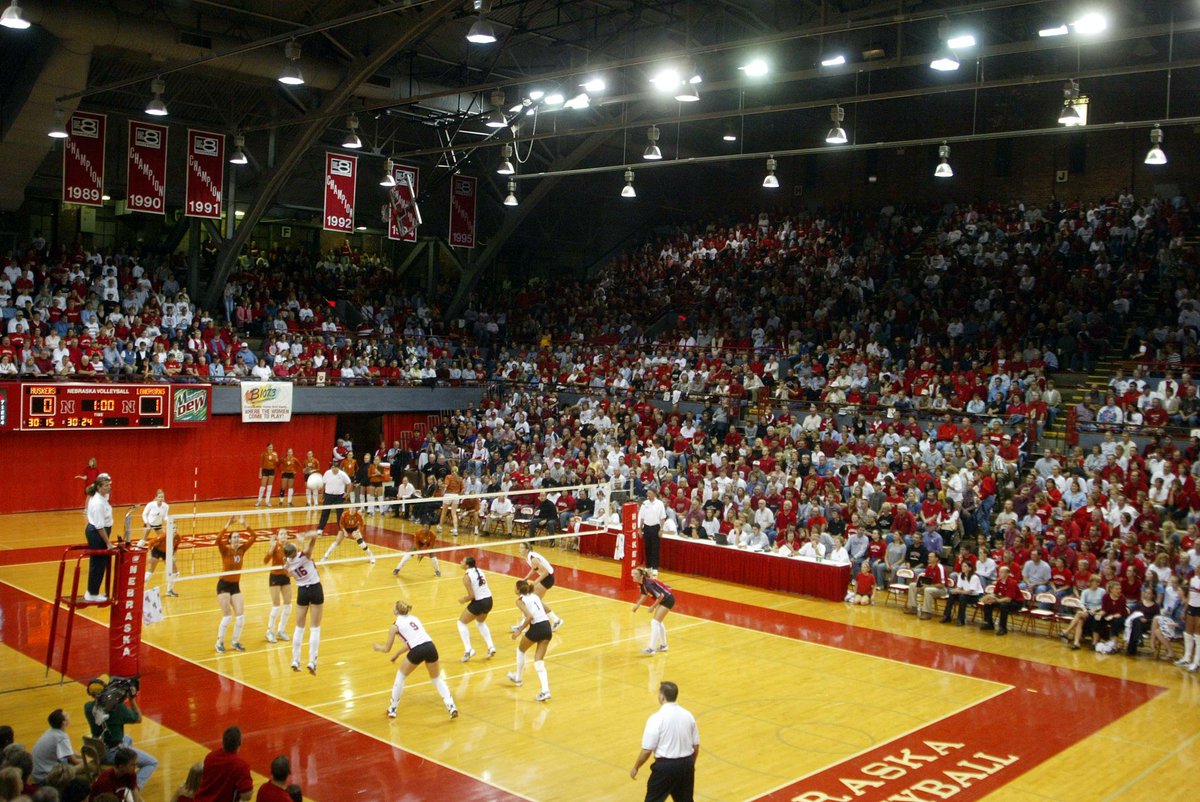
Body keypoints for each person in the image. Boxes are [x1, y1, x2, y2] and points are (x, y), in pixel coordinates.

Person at [373, 600, 459, 719]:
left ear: (396, 611)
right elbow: (413, 642)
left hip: (417, 650)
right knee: (436, 679)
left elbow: (387, 648)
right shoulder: (414, 618)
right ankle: (451, 706)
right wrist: (398, 654)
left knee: (401, 677)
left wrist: (378, 648)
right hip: (430, 647)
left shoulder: (394, 626)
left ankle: (392, 709)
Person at [629, 681, 699, 802]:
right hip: (686, 764)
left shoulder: (656, 718)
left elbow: (647, 750)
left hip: (666, 767)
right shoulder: (688, 716)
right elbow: (696, 746)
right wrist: (690, 764)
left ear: (662, 697)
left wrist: (636, 767)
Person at [84, 684, 158, 790]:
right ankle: (133, 788)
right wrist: (131, 699)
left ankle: (125, 772)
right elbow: (138, 718)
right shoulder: (118, 708)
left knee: (127, 738)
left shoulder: (87, 707)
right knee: (151, 762)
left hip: (98, 747)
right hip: (111, 753)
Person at [215, 517, 258, 653]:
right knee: (227, 616)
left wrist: (245, 524)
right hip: (223, 585)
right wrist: (227, 525)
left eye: (238, 537)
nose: (237, 539)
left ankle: (235, 641)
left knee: (240, 616)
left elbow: (254, 536)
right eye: (234, 537)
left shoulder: (242, 549)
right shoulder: (225, 550)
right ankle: (219, 642)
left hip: (235, 585)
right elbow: (217, 540)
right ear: (229, 540)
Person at [507, 579, 553, 701]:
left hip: (537, 627)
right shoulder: (535, 596)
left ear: (518, 590)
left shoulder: (520, 601)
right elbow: (546, 610)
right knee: (539, 661)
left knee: (521, 650)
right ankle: (545, 690)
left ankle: (518, 678)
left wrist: (519, 631)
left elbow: (529, 617)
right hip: (547, 627)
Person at [284, 533, 324, 674]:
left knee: (299, 627)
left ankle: (295, 659)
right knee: (315, 628)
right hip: (315, 589)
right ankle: (312, 661)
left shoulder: (287, 564)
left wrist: (297, 547)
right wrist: (304, 538)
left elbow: (288, 573)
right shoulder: (305, 555)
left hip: (302, 592)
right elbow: (314, 538)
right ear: (295, 551)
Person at [193, 726, 252, 802]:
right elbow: (247, 795)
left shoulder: (210, 757)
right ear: (240, 743)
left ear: (223, 741)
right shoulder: (241, 765)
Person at [516, 541, 564, 631]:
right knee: (535, 600)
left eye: (522, 548)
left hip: (548, 578)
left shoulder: (533, 558)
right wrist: (526, 578)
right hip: (546, 578)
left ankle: (524, 623)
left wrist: (534, 583)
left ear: (527, 550)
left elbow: (545, 572)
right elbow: (535, 568)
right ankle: (555, 619)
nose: (520, 549)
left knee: (531, 599)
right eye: (519, 547)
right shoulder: (528, 557)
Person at [456, 556, 496, 662]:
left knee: (461, 623)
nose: (460, 562)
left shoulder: (466, 577)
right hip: (489, 600)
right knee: (480, 623)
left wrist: (463, 600)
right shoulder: (480, 570)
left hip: (479, 602)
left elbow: (471, 596)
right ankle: (491, 646)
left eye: (462, 561)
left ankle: (468, 650)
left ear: (467, 565)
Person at [83, 473, 114, 602]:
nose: (109, 487)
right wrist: (108, 543)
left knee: (100, 563)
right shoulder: (97, 503)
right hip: (97, 533)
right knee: (98, 563)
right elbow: (99, 526)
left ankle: (93, 591)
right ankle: (92, 593)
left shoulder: (102, 497)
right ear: (99, 487)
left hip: (101, 531)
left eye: (109, 485)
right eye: (106, 486)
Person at [632, 566, 675, 654]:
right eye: (632, 574)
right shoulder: (642, 583)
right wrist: (637, 606)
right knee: (658, 622)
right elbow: (644, 595)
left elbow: (660, 596)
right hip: (664, 599)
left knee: (655, 622)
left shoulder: (648, 583)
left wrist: (652, 607)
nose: (633, 575)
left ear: (641, 576)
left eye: (635, 574)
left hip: (667, 599)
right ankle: (664, 645)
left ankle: (651, 648)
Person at [30, 709, 81, 784]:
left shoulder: (51, 731)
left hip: (38, 773)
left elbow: (71, 752)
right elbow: (74, 761)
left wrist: (83, 756)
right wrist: (90, 760)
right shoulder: (61, 737)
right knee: (88, 765)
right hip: (47, 777)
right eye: (66, 715)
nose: (69, 714)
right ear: (63, 723)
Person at [139, 490, 172, 589]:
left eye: (162, 497)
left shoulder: (166, 506)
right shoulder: (150, 505)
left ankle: (164, 555)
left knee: (163, 539)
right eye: (159, 497)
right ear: (156, 497)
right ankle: (137, 550)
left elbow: (165, 516)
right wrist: (147, 523)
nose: (161, 499)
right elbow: (144, 514)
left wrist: (169, 521)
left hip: (158, 525)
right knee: (143, 539)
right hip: (149, 523)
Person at [263, 530, 291, 644]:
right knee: (276, 606)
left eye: (285, 534)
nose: (284, 535)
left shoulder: (290, 548)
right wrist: (271, 547)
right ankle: (269, 631)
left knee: (288, 605)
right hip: (275, 576)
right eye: (281, 534)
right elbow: (265, 561)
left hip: (285, 576)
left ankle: (281, 630)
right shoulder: (275, 546)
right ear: (278, 537)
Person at [978, 565, 1023, 635]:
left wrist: (997, 600)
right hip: (1003, 599)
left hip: (1016, 602)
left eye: (1002, 572)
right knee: (988, 604)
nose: (1000, 574)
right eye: (999, 572)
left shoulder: (1012, 583)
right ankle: (989, 624)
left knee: (1004, 606)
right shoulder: (999, 582)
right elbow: (995, 593)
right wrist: (989, 598)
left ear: (1007, 574)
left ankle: (1003, 628)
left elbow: (1008, 599)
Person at [940, 561, 984, 625]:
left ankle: (961, 619)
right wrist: (954, 590)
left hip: (976, 596)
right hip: (965, 594)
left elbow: (970, 591)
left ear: (970, 568)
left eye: (965, 566)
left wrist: (958, 591)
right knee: (952, 595)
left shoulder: (974, 577)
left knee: (962, 597)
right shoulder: (961, 575)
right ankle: (946, 616)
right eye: (962, 566)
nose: (963, 567)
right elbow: (959, 587)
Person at [315, 459, 351, 534]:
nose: (334, 469)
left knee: (340, 513)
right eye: (333, 467)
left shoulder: (342, 474)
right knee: (325, 512)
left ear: (338, 468)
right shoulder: (327, 473)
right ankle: (320, 529)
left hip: (339, 496)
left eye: (336, 467)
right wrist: (322, 493)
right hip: (328, 495)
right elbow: (324, 483)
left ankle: (341, 529)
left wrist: (347, 493)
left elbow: (349, 484)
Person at [638, 489, 667, 576]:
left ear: (654, 494)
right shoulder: (645, 503)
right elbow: (641, 517)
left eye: (650, 493)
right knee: (647, 547)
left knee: (655, 548)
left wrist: (661, 529)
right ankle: (648, 566)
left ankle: (655, 567)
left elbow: (662, 517)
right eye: (647, 493)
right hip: (646, 527)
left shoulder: (659, 504)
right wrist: (640, 528)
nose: (648, 494)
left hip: (655, 527)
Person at [1178, 571, 1200, 671]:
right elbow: (1190, 597)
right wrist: (1185, 610)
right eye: (1197, 567)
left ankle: (1196, 662)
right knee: (1188, 633)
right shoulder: (1193, 580)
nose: (1197, 569)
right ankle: (1187, 658)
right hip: (1192, 606)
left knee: (1198, 636)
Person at [439, 464, 464, 533]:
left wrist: (441, 488)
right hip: (456, 496)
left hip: (448, 495)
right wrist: (459, 495)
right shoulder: (460, 478)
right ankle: (455, 529)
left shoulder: (448, 477)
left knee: (444, 512)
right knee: (454, 513)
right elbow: (463, 489)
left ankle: (440, 527)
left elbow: (446, 486)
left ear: (451, 471)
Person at [255, 443, 279, 508]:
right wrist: (260, 473)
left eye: (272, 447)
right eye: (269, 447)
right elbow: (261, 464)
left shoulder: (275, 454)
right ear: (267, 447)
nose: (271, 448)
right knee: (263, 486)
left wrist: (276, 458)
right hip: (265, 470)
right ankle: (259, 501)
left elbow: (277, 462)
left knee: (269, 486)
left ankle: (267, 501)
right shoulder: (263, 454)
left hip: (271, 471)